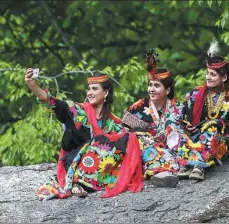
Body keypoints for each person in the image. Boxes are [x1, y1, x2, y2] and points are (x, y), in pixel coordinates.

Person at [24, 68, 143, 200]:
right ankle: (77, 182)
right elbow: (54, 103)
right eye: (89, 89)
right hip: (74, 162)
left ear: (106, 93)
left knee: (129, 139)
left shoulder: (112, 122)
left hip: (98, 167)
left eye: (94, 89)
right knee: (99, 141)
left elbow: (127, 140)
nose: (90, 93)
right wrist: (32, 85)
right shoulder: (78, 111)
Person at [178, 38, 229, 180]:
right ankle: (188, 161)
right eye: (207, 73)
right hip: (193, 136)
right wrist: (187, 126)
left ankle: (198, 165)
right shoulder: (194, 94)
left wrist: (216, 125)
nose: (208, 77)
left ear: (224, 77)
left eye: (212, 74)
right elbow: (182, 116)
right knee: (173, 126)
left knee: (212, 128)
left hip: (217, 141)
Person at [127, 49, 182, 187]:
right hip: (147, 152)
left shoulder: (178, 108)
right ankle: (158, 172)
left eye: (157, 86)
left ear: (167, 90)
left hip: (172, 150)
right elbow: (124, 134)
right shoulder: (137, 108)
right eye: (150, 85)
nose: (151, 89)